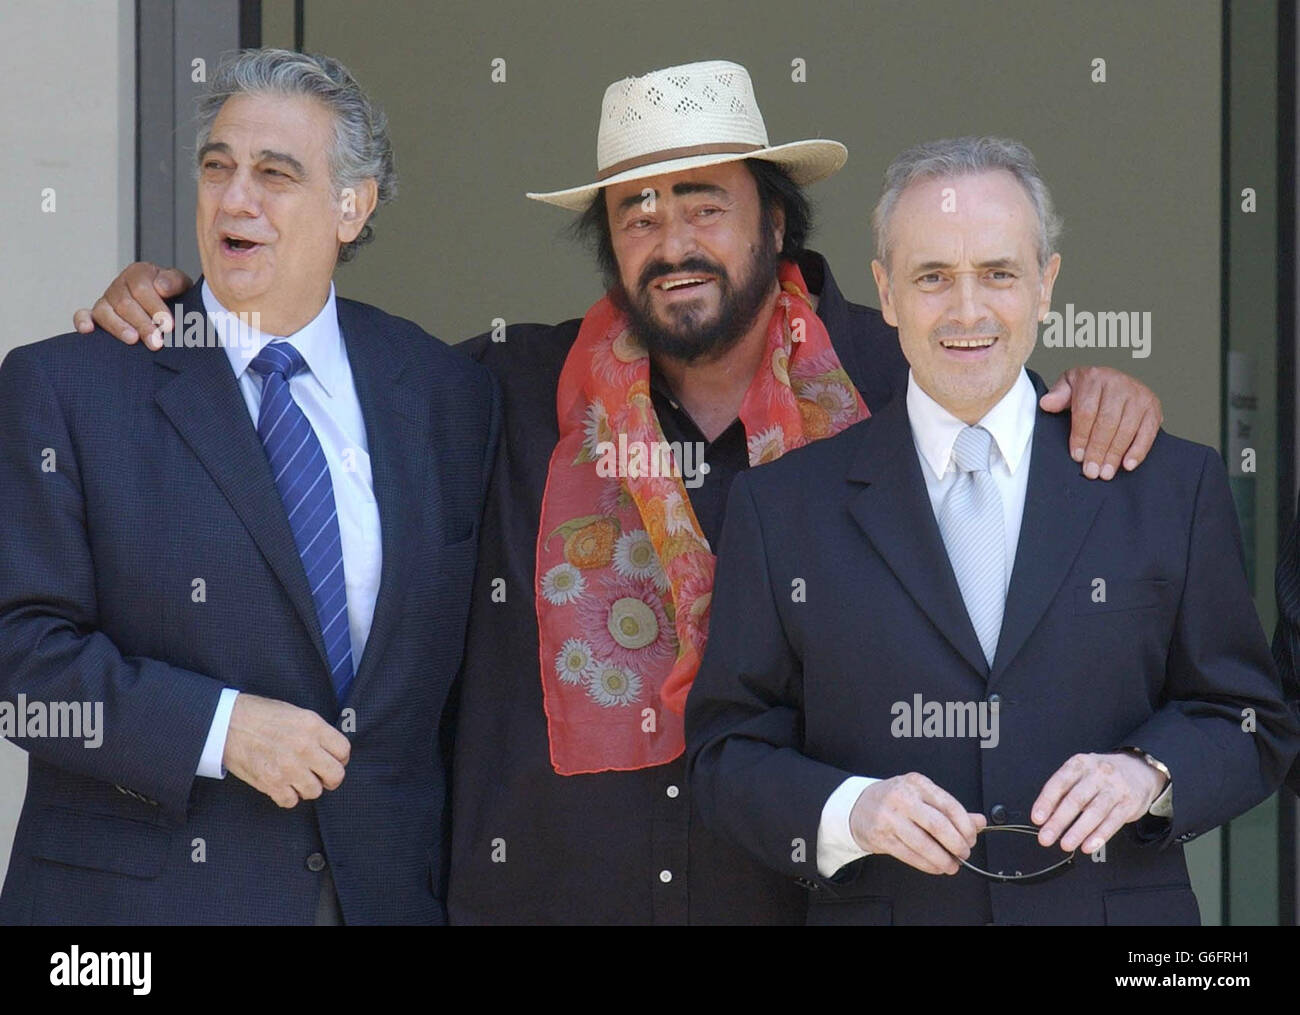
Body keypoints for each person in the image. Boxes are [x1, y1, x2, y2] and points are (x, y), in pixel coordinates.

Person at [77, 61, 1163, 925]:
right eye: (637, 214)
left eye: (704, 206)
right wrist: (178, 313)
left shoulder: (896, 383)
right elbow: (298, 386)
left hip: (819, 899)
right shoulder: (492, 391)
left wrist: (1097, 393)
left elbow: (1016, 421)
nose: (671, 242)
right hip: (545, 899)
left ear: (775, 223)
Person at [686, 136, 1299, 925]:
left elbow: (1253, 721)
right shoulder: (781, 508)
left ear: (1046, 285)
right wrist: (852, 809)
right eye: (933, 276)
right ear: (887, 292)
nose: (967, 310)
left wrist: (1151, 772)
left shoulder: (1172, 485)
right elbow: (726, 754)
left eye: (999, 274)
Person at [0, 49, 498, 924]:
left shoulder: (445, 393)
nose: (236, 199)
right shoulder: (71, 386)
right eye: (218, 167)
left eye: (276, 174)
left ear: (354, 206)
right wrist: (220, 728)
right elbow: (18, 665)